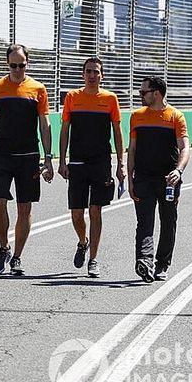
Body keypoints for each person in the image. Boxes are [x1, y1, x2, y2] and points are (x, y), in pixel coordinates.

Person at [0, 44, 54, 276]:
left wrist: (48, 158)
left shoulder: (38, 89)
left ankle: (17, 257)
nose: (18, 69)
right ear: (7, 64)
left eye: (22, 65)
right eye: (14, 65)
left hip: (28, 156)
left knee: (24, 208)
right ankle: (4, 247)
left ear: (27, 64)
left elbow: (45, 124)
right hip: (1, 155)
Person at [57, 57, 125, 278]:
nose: (92, 75)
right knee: (77, 214)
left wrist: (120, 163)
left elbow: (117, 132)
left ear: (102, 75)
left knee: (95, 210)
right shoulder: (72, 98)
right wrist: (62, 161)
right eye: (88, 71)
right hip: (76, 162)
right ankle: (82, 241)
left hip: (101, 163)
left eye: (96, 71)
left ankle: (93, 259)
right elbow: (65, 130)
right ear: (82, 74)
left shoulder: (110, 99)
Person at [128, 75, 190, 283]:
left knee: (168, 221)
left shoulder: (176, 116)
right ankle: (145, 261)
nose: (140, 95)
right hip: (143, 178)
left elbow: (184, 148)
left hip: (168, 180)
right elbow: (133, 150)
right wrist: (130, 180)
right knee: (144, 222)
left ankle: (162, 264)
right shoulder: (137, 116)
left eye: (143, 92)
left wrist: (178, 171)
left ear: (156, 93)